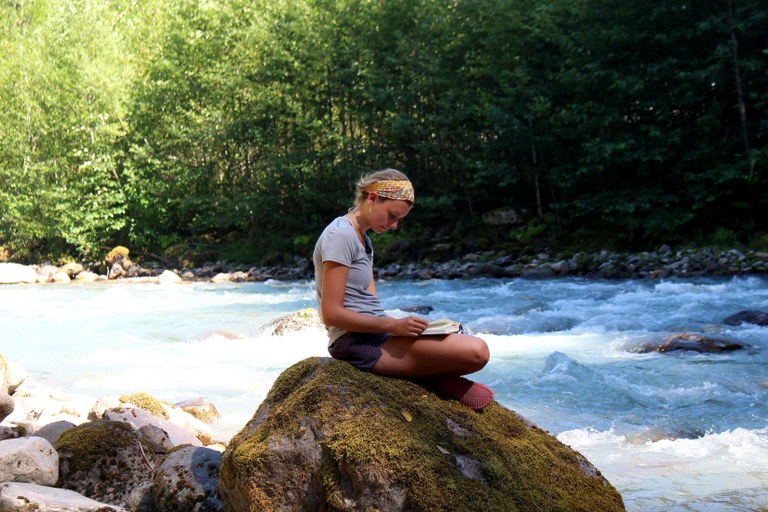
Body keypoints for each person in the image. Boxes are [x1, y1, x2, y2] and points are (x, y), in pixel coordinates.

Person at [313, 168, 494, 410]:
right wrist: (393, 326)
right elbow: (331, 314)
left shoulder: (363, 240)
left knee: (467, 344)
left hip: (376, 333)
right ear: (373, 198)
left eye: (399, 219)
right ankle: (432, 376)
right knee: (476, 352)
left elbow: (371, 305)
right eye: (391, 216)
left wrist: (404, 329)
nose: (394, 225)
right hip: (354, 342)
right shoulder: (340, 235)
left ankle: (425, 371)